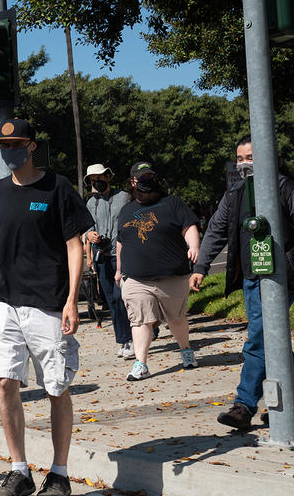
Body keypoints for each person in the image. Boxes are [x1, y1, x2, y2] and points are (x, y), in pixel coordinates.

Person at [0, 119, 94, 496]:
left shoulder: (57, 187)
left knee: (56, 388)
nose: (7, 150)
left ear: (31, 146)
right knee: (5, 383)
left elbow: (73, 245)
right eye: (1, 144)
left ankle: (59, 475)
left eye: (14, 144)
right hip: (7, 302)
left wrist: (71, 299)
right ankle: (19, 471)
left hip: (48, 301)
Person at [190, 137, 294, 430]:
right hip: (251, 278)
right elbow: (216, 231)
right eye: (239, 158)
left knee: (261, 339)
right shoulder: (234, 195)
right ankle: (277, 404)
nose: (244, 163)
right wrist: (200, 267)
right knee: (265, 340)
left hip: (283, 278)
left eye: (250, 156)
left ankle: (246, 404)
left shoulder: (284, 187)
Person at [115, 161, 201, 381]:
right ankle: (141, 363)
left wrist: (193, 246)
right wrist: (118, 270)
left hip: (172, 276)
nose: (147, 181)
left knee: (177, 318)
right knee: (140, 320)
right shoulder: (126, 211)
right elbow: (121, 242)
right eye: (142, 178)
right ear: (132, 182)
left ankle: (186, 350)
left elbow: (189, 226)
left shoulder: (172, 203)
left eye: (150, 177)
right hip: (136, 278)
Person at [83, 163, 133, 358]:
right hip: (101, 257)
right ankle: (123, 340)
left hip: (123, 255)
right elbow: (86, 228)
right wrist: (90, 236)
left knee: (123, 298)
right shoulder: (90, 203)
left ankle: (135, 335)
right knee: (111, 301)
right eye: (93, 180)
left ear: (108, 176)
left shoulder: (124, 197)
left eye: (100, 178)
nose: (97, 182)